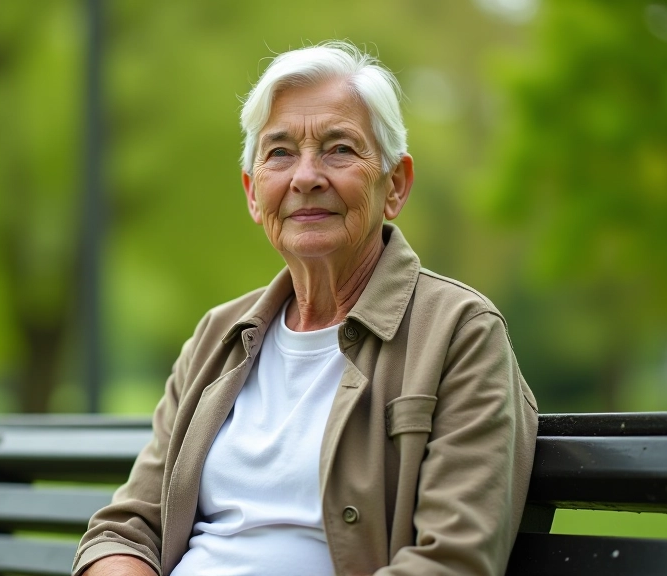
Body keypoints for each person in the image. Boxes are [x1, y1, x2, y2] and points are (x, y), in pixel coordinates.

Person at [73, 41, 538, 576]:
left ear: (395, 185)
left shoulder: (458, 332)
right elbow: (125, 529)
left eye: (339, 149)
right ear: (253, 193)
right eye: (280, 153)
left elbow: (452, 562)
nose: (306, 177)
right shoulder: (218, 336)